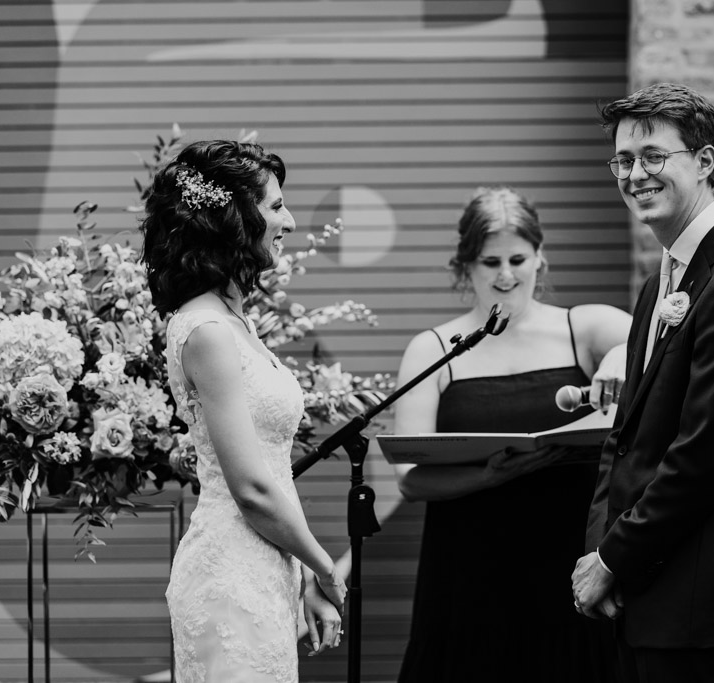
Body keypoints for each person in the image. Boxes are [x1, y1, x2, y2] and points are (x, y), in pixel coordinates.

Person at [571, 83, 714, 682]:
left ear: (704, 162)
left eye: (652, 157)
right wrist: (600, 553)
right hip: (646, 585)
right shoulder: (664, 279)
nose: (633, 174)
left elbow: (702, 456)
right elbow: (624, 440)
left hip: (701, 590)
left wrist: (614, 560)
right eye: (622, 160)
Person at [391, 186, 632, 683]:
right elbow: (410, 479)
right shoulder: (431, 349)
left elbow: (651, 336)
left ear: (540, 259)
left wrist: (615, 360)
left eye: (518, 259)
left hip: (566, 559)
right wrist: (490, 474)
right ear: (465, 267)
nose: (505, 275)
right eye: (489, 262)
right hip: (469, 566)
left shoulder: (580, 327)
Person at [141, 140, 347, 682]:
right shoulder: (207, 332)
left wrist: (301, 576)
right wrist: (327, 568)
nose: (290, 220)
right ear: (233, 219)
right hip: (228, 574)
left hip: (263, 567)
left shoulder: (238, 325)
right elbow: (252, 489)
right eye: (276, 207)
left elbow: (274, 476)